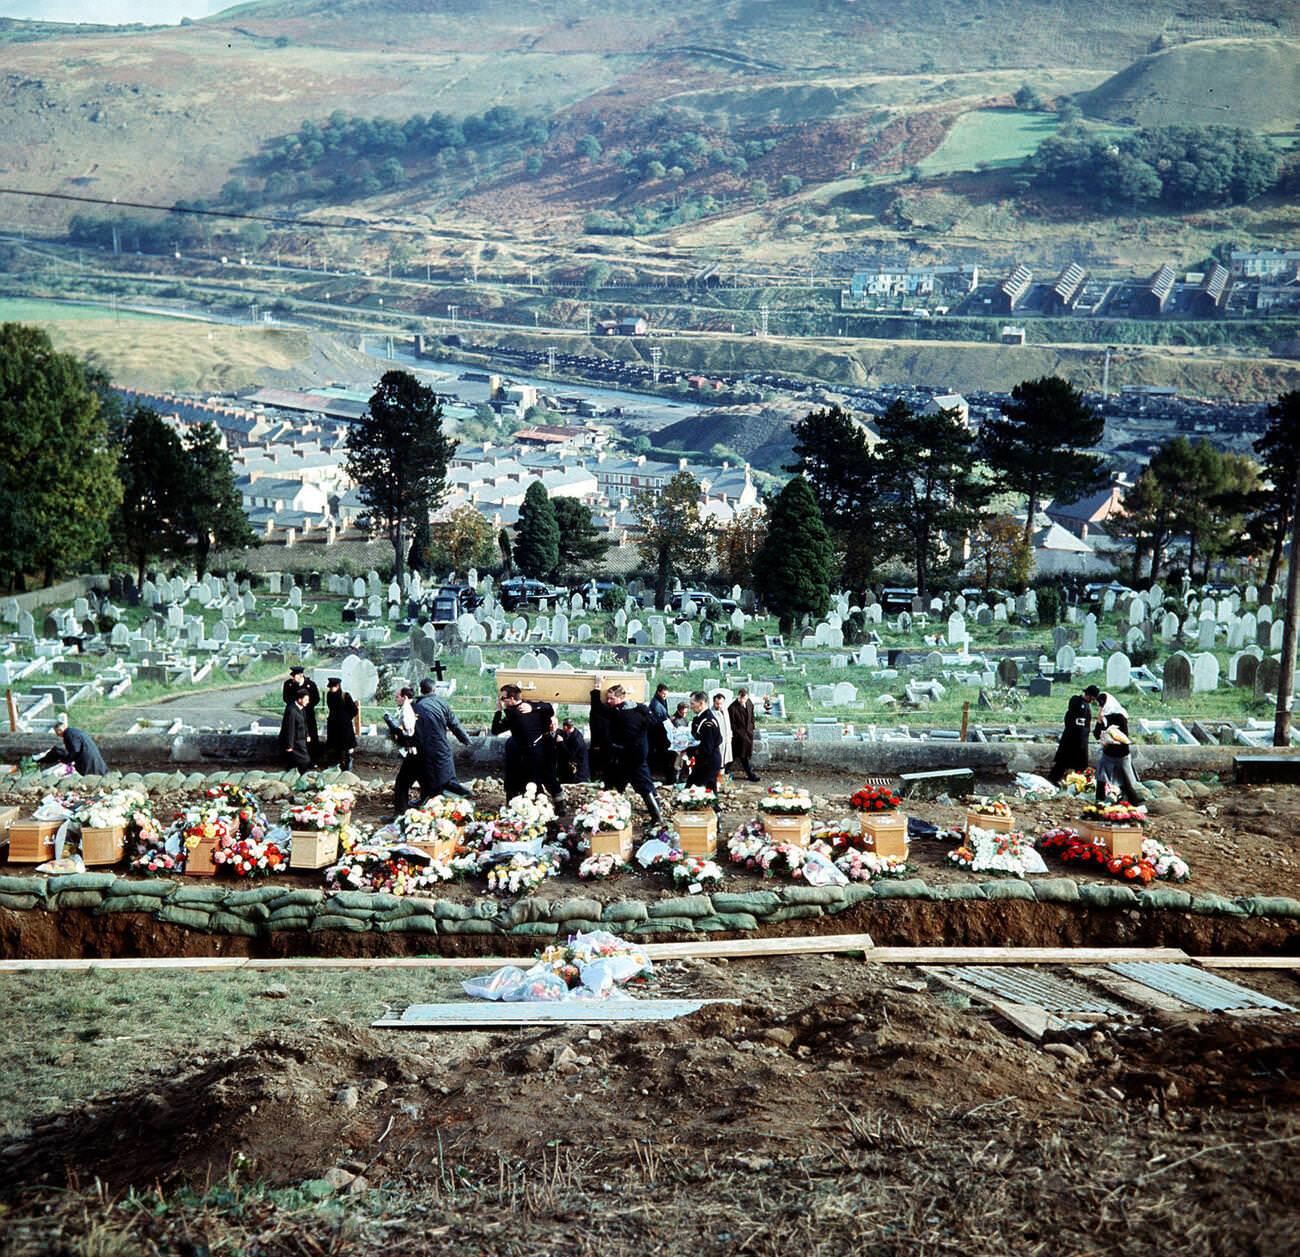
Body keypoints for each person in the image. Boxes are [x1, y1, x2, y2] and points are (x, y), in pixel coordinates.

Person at [590, 677, 664, 824]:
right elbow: (654, 723)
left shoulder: (618, 713)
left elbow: (597, 707)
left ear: (621, 698)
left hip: (625, 758)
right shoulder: (640, 709)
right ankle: (656, 817)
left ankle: (611, 818)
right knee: (640, 786)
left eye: (611, 698)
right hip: (638, 755)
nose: (608, 701)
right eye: (607, 698)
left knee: (618, 787)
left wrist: (597, 687)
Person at [492, 683, 564, 807]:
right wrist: (533, 707)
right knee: (540, 777)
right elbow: (548, 708)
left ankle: (551, 803)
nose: (502, 701)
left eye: (503, 699)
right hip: (529, 750)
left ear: (512, 699)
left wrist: (532, 707)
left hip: (536, 749)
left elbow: (495, 729)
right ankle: (555, 803)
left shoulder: (513, 713)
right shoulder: (520, 710)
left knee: (542, 777)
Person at [413, 678, 474, 801]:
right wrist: (466, 739)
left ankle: (460, 796)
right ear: (434, 689)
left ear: (420, 690)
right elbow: (454, 724)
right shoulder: (442, 703)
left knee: (428, 776)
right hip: (441, 746)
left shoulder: (417, 706)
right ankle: (453, 796)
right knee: (446, 775)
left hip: (425, 748)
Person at [1084, 684, 1143, 804]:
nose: (1100, 708)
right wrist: (1099, 722)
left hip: (1121, 754)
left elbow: (1123, 736)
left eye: (1102, 705)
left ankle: (1134, 802)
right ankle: (1099, 800)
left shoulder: (1120, 717)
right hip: (1108, 753)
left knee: (1126, 780)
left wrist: (1109, 733)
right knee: (1101, 776)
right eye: (1099, 706)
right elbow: (1096, 734)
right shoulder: (1103, 717)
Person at [387, 686, 421, 815]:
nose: (396, 699)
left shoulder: (410, 710)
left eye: (397, 697)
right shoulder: (414, 707)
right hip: (418, 752)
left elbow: (409, 732)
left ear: (405, 697)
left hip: (414, 752)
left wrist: (393, 727)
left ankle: (400, 813)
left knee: (402, 783)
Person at [1048, 692, 1092, 785]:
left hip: (1081, 739)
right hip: (1071, 738)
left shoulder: (1086, 706)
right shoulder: (1076, 701)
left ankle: (1079, 784)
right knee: (1063, 762)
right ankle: (1052, 781)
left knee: (1080, 765)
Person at [282, 666, 321, 764]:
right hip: (293, 713)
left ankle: (313, 760)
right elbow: (286, 698)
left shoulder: (311, 685)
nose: (293, 678)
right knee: (292, 734)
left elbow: (316, 698)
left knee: (310, 736)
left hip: (308, 714)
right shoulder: (289, 684)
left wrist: (306, 706)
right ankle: (292, 759)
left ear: (301, 675)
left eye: (295, 676)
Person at [687, 691, 722, 789]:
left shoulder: (708, 722)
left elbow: (707, 748)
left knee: (700, 791)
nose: (691, 706)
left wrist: (690, 750)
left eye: (693, 704)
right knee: (696, 789)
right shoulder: (701, 718)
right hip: (704, 761)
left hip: (709, 762)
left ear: (701, 703)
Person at [324, 677, 359, 772]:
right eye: (330, 687)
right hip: (333, 726)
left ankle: (347, 766)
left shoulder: (345, 696)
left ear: (338, 686)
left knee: (345, 748)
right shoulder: (329, 695)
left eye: (333, 687)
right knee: (334, 747)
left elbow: (354, 710)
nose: (331, 689)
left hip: (344, 727)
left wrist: (346, 719)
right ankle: (336, 766)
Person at [728, 687, 760, 781]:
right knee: (741, 756)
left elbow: (752, 716)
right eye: (740, 699)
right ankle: (750, 775)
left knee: (738, 756)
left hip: (748, 734)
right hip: (739, 737)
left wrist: (752, 726)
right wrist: (738, 733)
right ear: (738, 697)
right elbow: (731, 724)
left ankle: (723, 771)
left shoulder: (749, 703)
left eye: (744, 699)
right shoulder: (732, 708)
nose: (742, 701)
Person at [279, 688, 312, 771]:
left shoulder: (302, 709)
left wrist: (307, 734)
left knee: (297, 762)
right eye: (306, 699)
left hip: (301, 739)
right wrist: (289, 745)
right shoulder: (292, 710)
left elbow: (304, 723)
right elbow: (290, 729)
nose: (307, 702)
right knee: (304, 760)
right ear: (299, 699)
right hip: (295, 741)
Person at [646, 681, 673, 781]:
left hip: (660, 731)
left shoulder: (661, 701)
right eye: (663, 694)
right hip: (657, 733)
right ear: (659, 692)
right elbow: (659, 719)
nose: (665, 696)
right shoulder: (656, 704)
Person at [555, 718, 590, 784]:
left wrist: (561, 743)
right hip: (571, 771)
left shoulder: (577, 739)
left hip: (579, 773)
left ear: (565, 727)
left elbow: (570, 755)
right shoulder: (571, 732)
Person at [711, 692, 733, 786]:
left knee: (724, 763)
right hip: (717, 743)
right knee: (717, 764)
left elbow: (728, 725)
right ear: (713, 702)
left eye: (721, 703)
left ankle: (721, 783)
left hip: (726, 740)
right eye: (717, 703)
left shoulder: (725, 710)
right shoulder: (711, 713)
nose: (719, 705)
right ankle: (714, 783)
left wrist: (730, 736)